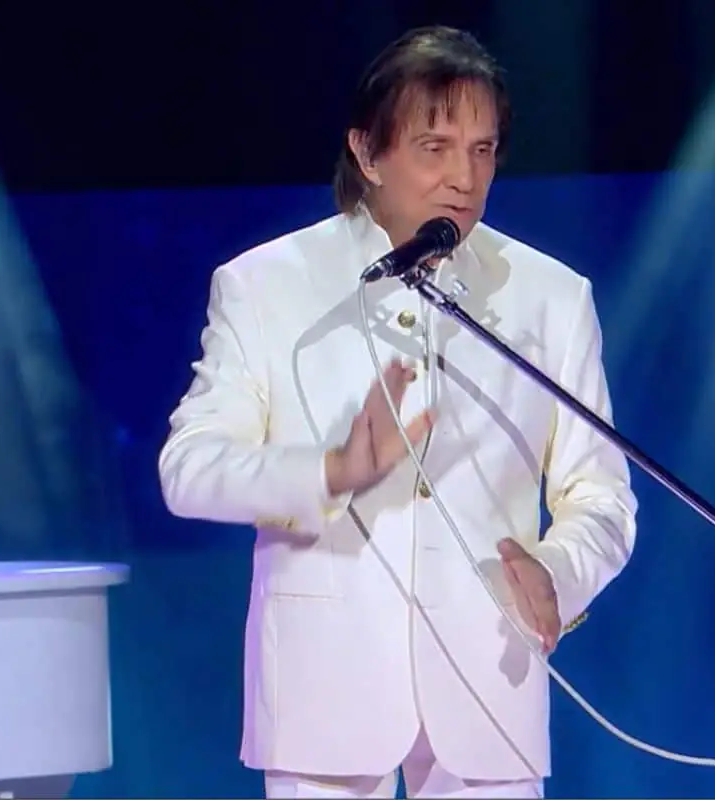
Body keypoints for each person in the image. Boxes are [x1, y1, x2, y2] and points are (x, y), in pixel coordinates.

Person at [158, 25, 637, 799]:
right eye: (434, 148)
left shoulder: (550, 297)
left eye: (482, 150)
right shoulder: (268, 285)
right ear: (367, 152)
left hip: (492, 685)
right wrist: (330, 471)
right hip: (324, 692)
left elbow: (603, 497)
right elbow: (189, 471)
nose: (463, 178)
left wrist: (558, 573)